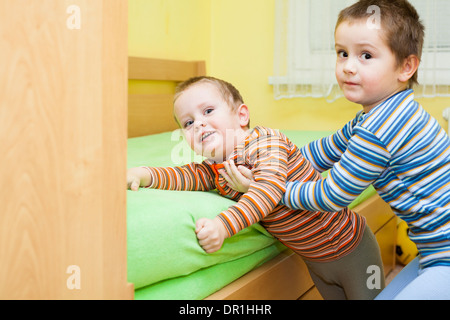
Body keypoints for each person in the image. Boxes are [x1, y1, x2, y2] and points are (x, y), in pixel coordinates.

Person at [127, 76, 385, 300]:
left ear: (241, 115)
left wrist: (222, 225)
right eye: (187, 123)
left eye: (207, 111)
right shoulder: (217, 166)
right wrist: (145, 174)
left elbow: (267, 192)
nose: (198, 124)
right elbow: (186, 175)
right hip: (316, 260)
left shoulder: (266, 143)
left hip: (350, 247)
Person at [275, 0, 450, 299]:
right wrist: (273, 158)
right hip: (433, 251)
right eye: (342, 53)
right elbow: (322, 151)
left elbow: (332, 195)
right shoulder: (377, 115)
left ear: (406, 67)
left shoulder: (380, 129)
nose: (348, 66)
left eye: (365, 55)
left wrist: (273, 188)